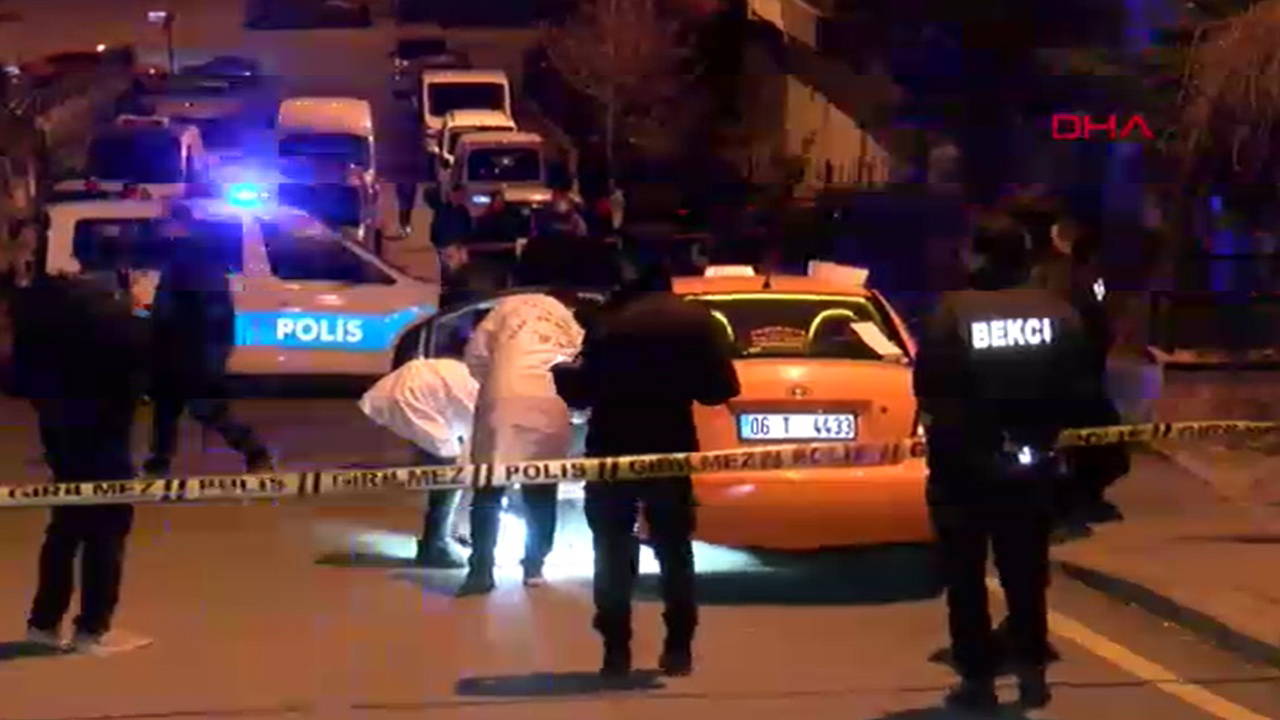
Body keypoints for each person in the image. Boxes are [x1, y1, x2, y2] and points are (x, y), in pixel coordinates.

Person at [914, 212, 1096, 711]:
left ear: (977, 256)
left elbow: (930, 388)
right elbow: (1082, 388)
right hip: (1033, 464)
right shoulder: (1058, 313)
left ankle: (977, 680)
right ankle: (1033, 671)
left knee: (966, 579)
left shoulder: (952, 312)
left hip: (963, 470)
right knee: (1026, 574)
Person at [552, 247, 740, 679]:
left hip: (612, 448)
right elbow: (720, 390)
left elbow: (583, 393)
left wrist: (563, 374)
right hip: (670, 446)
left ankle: (616, 649)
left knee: (611, 548)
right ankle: (678, 648)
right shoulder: (697, 321)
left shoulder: (608, 322)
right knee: (675, 548)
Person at [12, 229, 152, 655]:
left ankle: (43, 622)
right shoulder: (116, 314)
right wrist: (141, 314)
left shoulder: (51, 307)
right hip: (104, 434)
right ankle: (93, 628)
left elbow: (20, 372)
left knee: (66, 525)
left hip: (60, 432)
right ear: (123, 268)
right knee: (106, 530)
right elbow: (144, 368)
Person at [456, 249, 587, 596]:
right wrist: (577, 410)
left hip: (503, 399)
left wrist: (491, 380)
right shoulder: (570, 322)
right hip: (550, 402)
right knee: (541, 488)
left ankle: (481, 570)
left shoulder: (506, 307)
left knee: (489, 488)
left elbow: (475, 355)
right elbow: (581, 370)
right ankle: (534, 566)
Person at [143, 205, 272, 477]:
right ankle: (158, 463)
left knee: (205, 408)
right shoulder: (183, 257)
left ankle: (254, 452)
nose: (159, 227)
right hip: (178, 348)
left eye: (165, 222)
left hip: (191, 350)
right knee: (167, 409)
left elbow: (210, 313)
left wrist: (211, 358)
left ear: (180, 225)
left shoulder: (194, 260)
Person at [1030, 216, 1127, 531]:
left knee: (1087, 440)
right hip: (1073, 372)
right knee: (1091, 439)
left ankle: (1073, 499)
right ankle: (1072, 499)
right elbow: (1098, 322)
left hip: (1063, 372)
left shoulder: (1054, 275)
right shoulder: (1072, 276)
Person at [359, 353, 478, 568]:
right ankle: (436, 545)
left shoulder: (493, 388)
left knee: (449, 469)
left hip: (411, 388)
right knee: (450, 473)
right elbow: (476, 462)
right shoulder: (494, 407)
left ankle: (443, 534)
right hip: (413, 396)